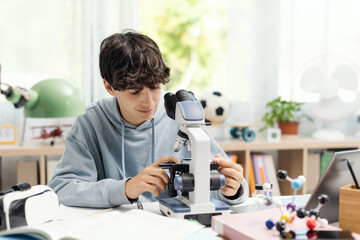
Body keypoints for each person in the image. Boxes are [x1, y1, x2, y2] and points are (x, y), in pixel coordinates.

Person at [48, 30, 249, 208]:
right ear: (109, 87)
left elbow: (235, 187)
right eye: (135, 92)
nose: (150, 102)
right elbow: (62, 188)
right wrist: (126, 189)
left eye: (155, 87)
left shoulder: (181, 116)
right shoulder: (90, 122)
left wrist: (232, 189)